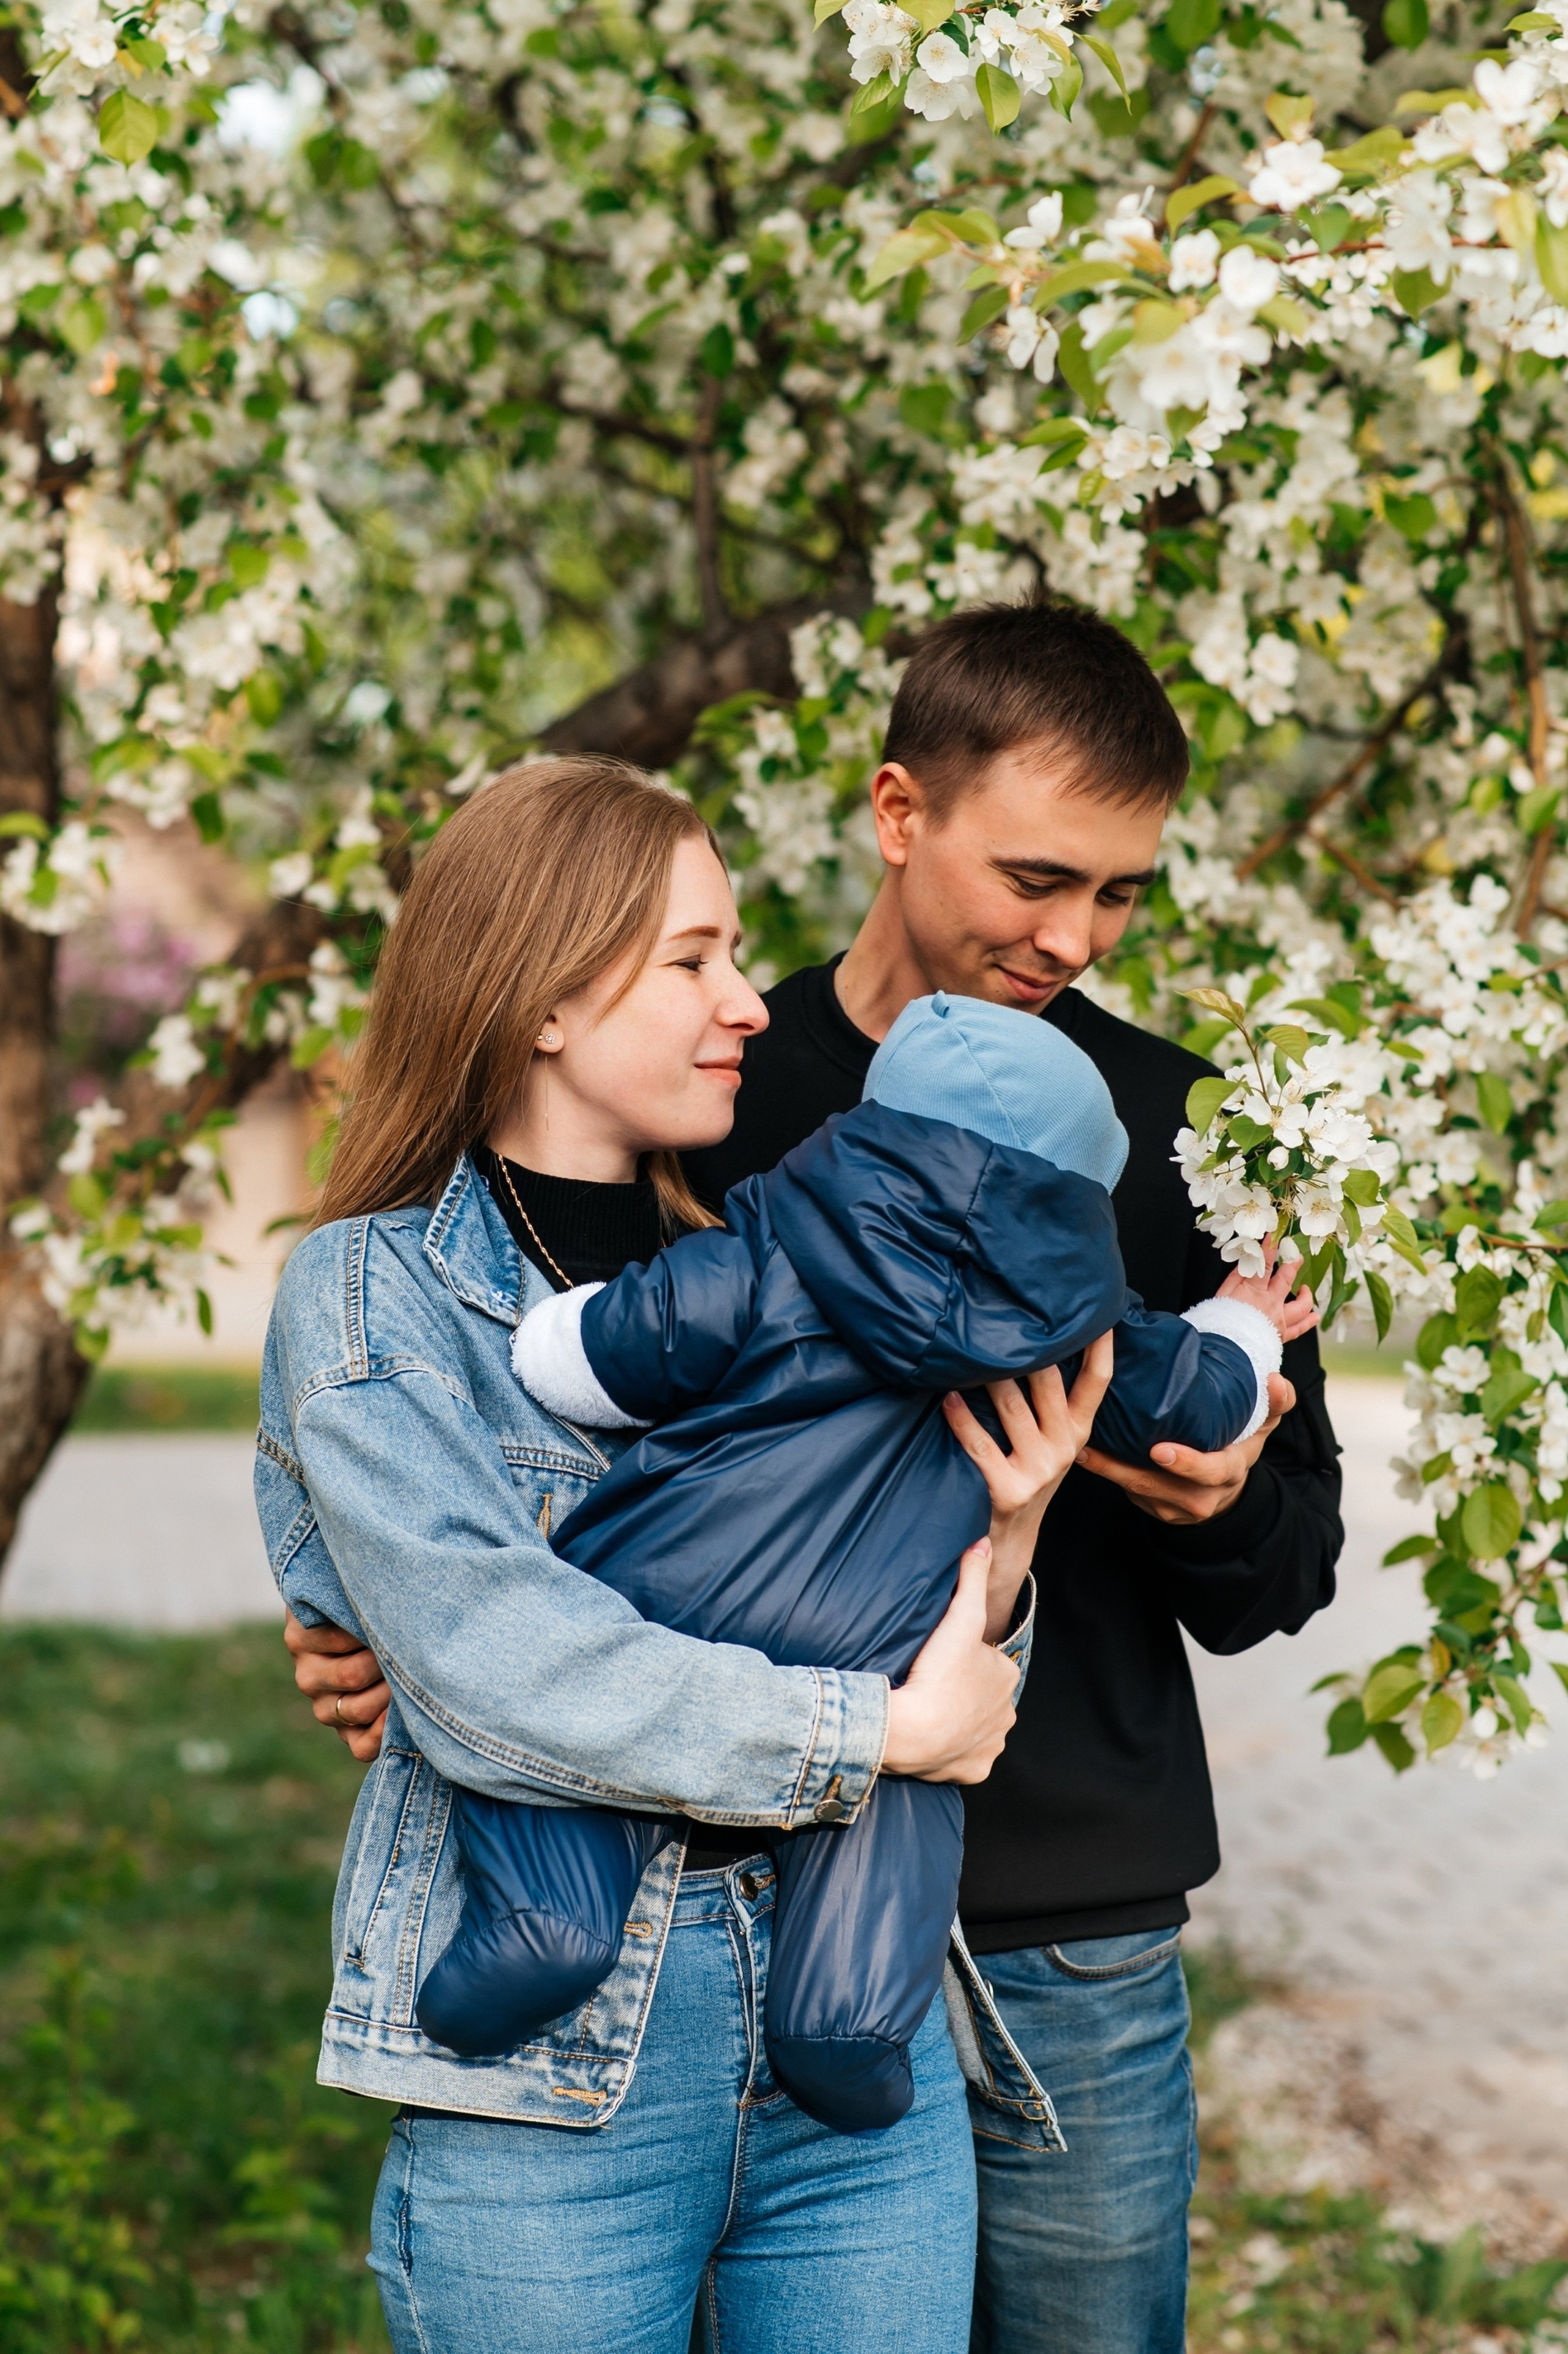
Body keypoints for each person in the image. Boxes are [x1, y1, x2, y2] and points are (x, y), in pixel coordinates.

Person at [290, 597, 1344, 2352]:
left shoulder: (1166, 1134)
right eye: (1035, 878)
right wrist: (376, 1623)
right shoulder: (726, 1097)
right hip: (758, 1900)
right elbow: (523, 1459)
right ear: (897, 812)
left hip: (1060, 1905)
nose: (1074, 938)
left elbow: (1283, 1569)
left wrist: (1202, 1495)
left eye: (1121, 894)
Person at [260, 755, 1099, 2354]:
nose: (750, 1004)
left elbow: (938, 1660)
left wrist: (1015, 1515)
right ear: (546, 1001)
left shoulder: (787, 1260)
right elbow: (500, 1664)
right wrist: (873, 1731)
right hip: (558, 2076)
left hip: (852, 2021)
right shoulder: (373, 1299)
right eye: (694, 958)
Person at [427, 990, 1315, 2138]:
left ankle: (546, 1925)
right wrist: (1244, 1327)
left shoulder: (770, 1242)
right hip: (885, 1662)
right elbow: (1200, 1399)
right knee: (900, 1810)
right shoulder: (1086, 1324)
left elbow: (607, 1356)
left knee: (583, 1768)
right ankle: (842, 2029)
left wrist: (559, 1331)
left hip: (668, 1590)